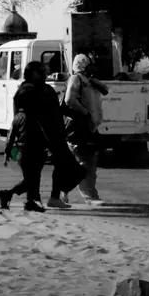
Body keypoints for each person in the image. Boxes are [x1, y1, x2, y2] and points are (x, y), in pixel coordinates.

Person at [0, 61, 86, 212]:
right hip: (35, 140)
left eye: (45, 72)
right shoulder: (26, 92)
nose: (45, 75)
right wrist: (9, 146)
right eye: (41, 72)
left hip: (54, 137)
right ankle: (33, 200)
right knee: (33, 175)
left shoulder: (46, 90)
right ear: (31, 73)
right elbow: (21, 119)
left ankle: (20, 196)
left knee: (64, 170)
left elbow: (56, 112)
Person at [60, 54, 109, 206]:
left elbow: (105, 90)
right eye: (88, 64)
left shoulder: (90, 81)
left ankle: (63, 191)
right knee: (84, 163)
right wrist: (85, 112)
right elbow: (69, 100)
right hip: (79, 128)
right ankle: (90, 196)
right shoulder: (76, 79)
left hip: (90, 128)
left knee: (88, 162)